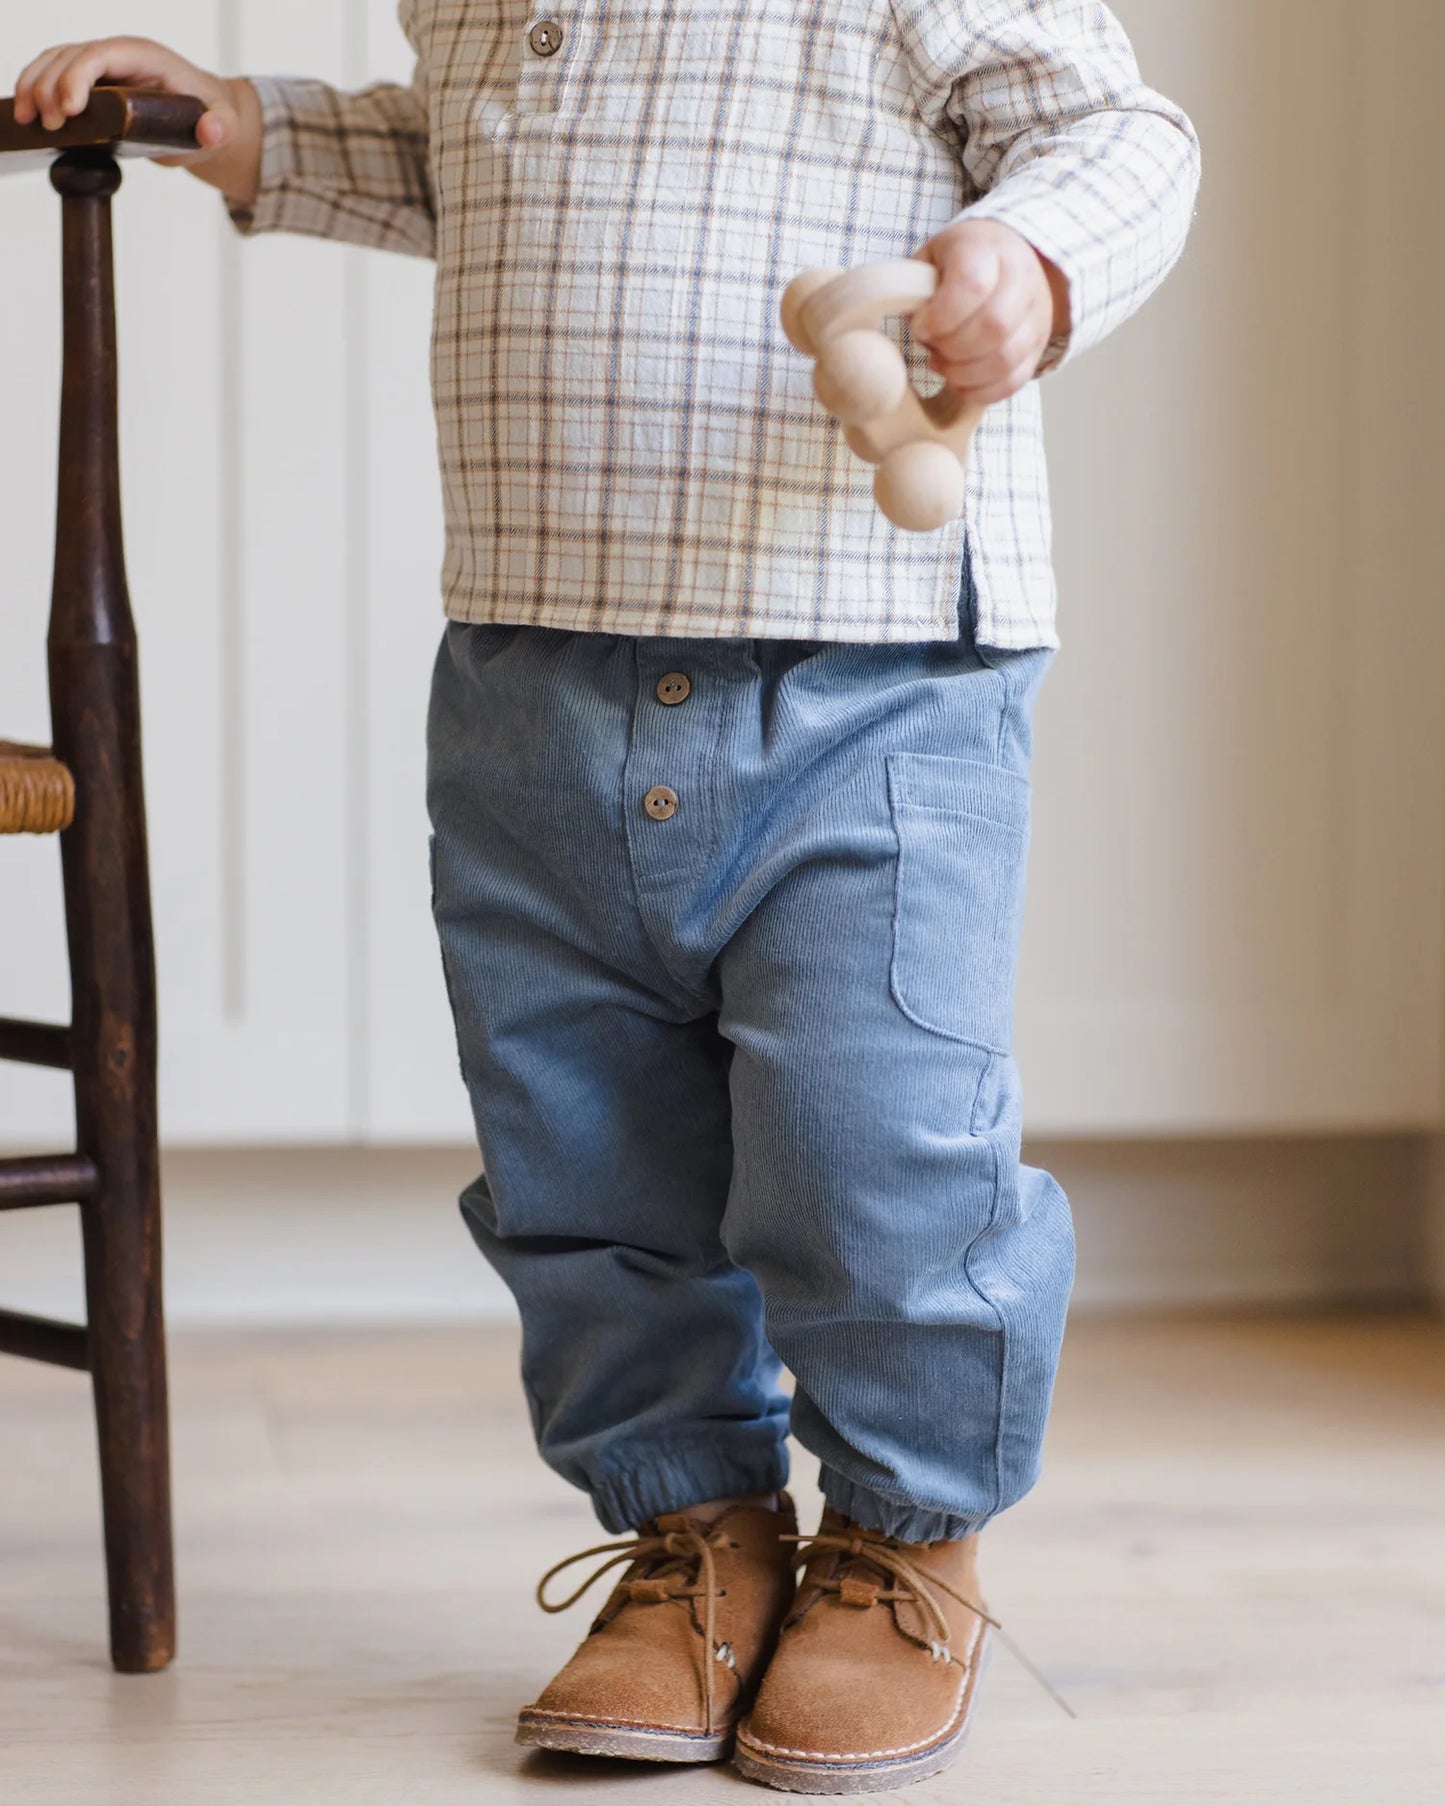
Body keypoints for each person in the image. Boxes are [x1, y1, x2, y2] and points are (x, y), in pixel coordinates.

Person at [14, 6, 1199, 1791]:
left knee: (875, 1140)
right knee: (579, 1149)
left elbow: (1123, 136)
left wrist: (1026, 261)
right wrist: (244, 121)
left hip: (865, 672)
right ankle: (693, 1526)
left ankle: (903, 1539)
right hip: (533, 676)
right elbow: (454, 151)